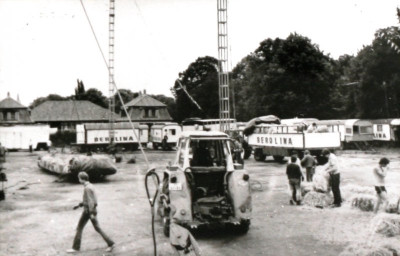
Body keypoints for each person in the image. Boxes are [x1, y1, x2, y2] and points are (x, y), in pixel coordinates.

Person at [67, 172, 115, 253]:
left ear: (82, 179)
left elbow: (90, 202)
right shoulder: (90, 186)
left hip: (88, 212)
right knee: (97, 228)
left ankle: (75, 248)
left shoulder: (87, 188)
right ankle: (110, 243)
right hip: (91, 210)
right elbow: (91, 200)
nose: (79, 180)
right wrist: (79, 205)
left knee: (79, 228)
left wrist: (91, 213)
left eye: (79, 179)